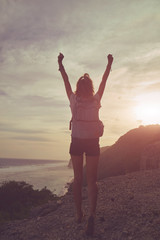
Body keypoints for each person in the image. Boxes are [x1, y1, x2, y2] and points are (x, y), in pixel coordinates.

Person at [58, 52, 113, 236]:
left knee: (77, 178)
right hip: (92, 143)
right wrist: (109, 64)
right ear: (90, 87)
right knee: (91, 181)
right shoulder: (96, 100)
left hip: (76, 143)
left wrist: (61, 64)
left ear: (77, 88)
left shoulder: (74, 100)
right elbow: (105, 80)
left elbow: (64, 80)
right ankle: (91, 214)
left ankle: (78, 214)